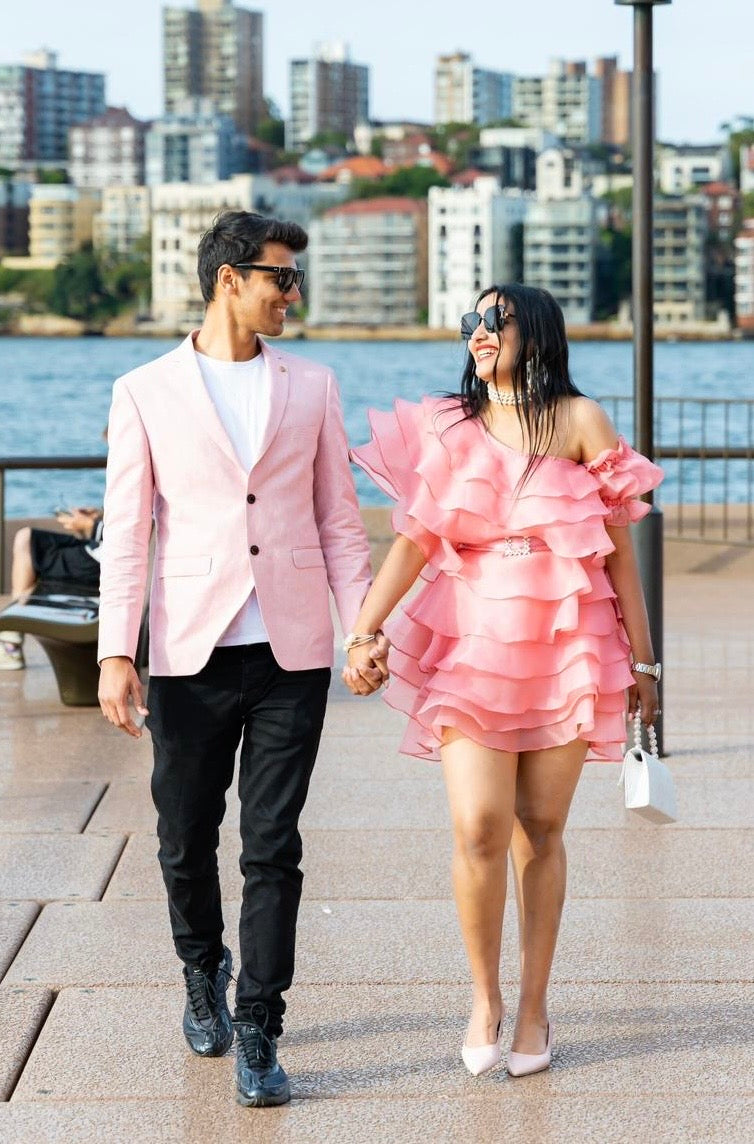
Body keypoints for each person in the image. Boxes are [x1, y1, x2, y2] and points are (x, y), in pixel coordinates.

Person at [97, 210, 386, 1108]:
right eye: (281, 278)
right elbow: (131, 531)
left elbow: (340, 521)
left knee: (273, 846)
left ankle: (260, 1026)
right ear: (230, 278)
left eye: (295, 279)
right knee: (184, 837)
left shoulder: (314, 385)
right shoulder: (144, 390)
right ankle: (200, 969)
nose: (293, 294)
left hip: (290, 652)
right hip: (188, 649)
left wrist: (361, 629)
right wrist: (117, 651)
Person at [342, 283, 663, 1079]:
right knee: (480, 825)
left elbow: (620, 551)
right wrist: (364, 628)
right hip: (476, 637)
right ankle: (483, 997)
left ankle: (532, 1007)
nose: (479, 333)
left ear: (536, 330)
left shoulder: (582, 420)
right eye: (471, 322)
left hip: (568, 639)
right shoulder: (451, 424)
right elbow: (416, 540)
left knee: (541, 831)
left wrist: (646, 662)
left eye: (496, 319)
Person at [0, 507, 103, 670]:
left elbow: (131, 534)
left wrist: (90, 526)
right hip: (94, 548)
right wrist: (98, 515)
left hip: (100, 561)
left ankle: (11, 646)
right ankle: (11, 642)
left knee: (30, 548)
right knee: (27, 538)